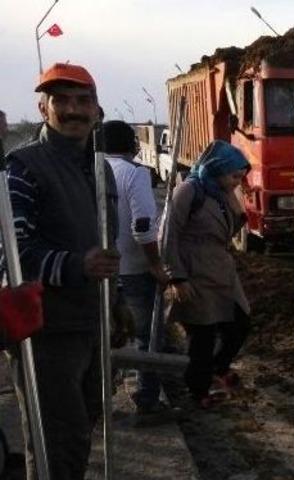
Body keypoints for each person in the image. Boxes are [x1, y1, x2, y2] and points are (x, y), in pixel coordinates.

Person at [3, 63, 119, 480]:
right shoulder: (23, 169)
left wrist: (115, 308)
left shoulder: (99, 168)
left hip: (92, 324)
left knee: (82, 430)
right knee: (56, 444)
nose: (73, 109)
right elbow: (14, 254)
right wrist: (75, 265)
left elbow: (109, 247)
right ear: (43, 108)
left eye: (82, 100)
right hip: (46, 333)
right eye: (61, 100)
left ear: (96, 109)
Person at [162, 140, 251, 409]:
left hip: (221, 271)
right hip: (194, 272)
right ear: (218, 168)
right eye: (234, 176)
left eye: (240, 177)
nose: (237, 181)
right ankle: (198, 390)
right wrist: (176, 277)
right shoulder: (190, 190)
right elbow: (167, 235)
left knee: (240, 323)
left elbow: (232, 227)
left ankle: (217, 367)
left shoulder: (221, 193)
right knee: (202, 336)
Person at [102, 120, 170, 418]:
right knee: (146, 336)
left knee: (103, 337)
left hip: (96, 271)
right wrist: (155, 264)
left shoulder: (87, 171)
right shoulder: (134, 173)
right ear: (132, 145)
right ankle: (147, 401)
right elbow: (143, 226)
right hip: (132, 269)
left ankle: (100, 401)